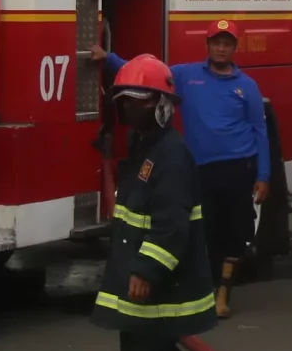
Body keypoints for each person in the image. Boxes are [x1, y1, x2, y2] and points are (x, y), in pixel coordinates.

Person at [90, 55, 239, 351]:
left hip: (161, 282)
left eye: (137, 100)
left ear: (162, 104)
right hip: (135, 275)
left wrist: (147, 270)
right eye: (123, 101)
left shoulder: (171, 155)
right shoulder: (144, 147)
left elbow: (172, 225)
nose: (128, 108)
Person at [95, 20, 269, 318]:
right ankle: (208, 288)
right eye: (216, 42)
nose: (221, 47)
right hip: (199, 169)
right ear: (208, 45)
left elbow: (259, 131)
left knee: (234, 234)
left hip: (239, 168)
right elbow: (147, 78)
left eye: (227, 43)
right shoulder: (186, 76)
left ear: (234, 48)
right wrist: (108, 58)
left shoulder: (247, 87)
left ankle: (223, 295)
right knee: (205, 232)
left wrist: (263, 176)